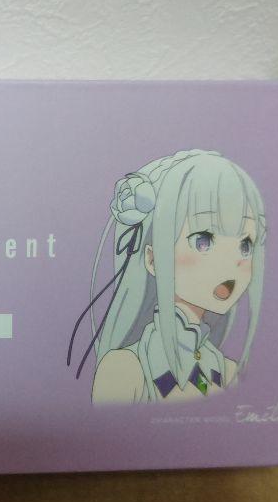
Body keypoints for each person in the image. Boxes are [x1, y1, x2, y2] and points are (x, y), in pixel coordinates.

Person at [67, 149, 266, 404]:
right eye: (203, 241)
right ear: (152, 259)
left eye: (245, 245)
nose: (232, 262)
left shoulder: (227, 372)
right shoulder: (126, 369)